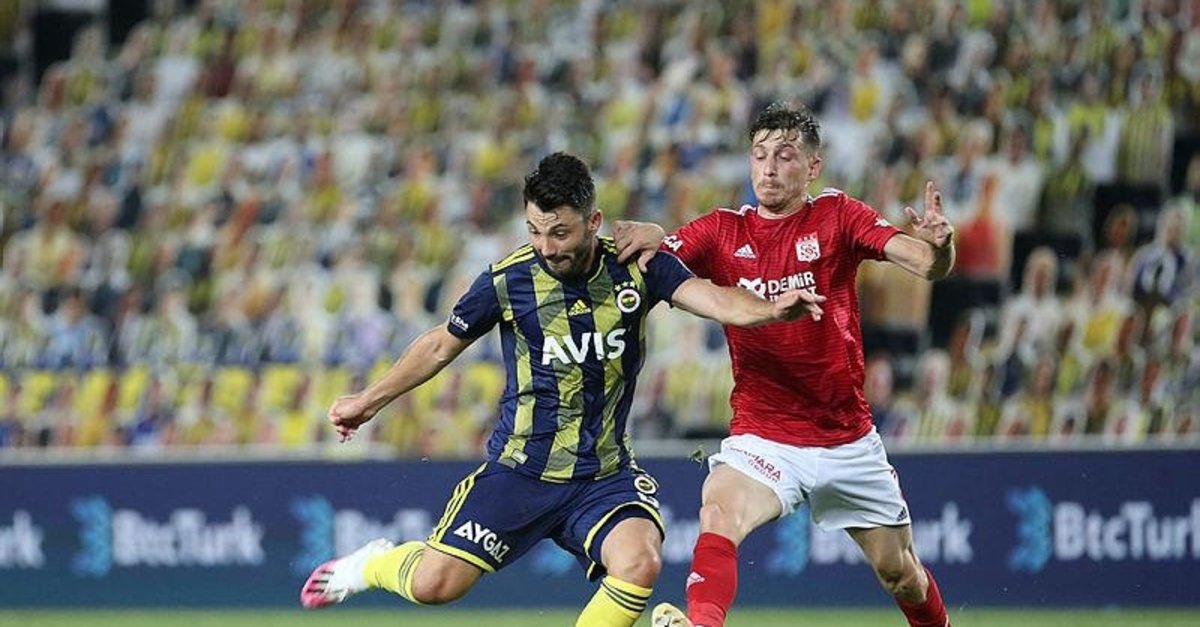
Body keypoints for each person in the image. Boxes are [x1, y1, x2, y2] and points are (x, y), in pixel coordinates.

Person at [299, 152, 825, 627]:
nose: (546, 248)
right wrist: (366, 402)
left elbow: (714, 300)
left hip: (603, 474)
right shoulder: (509, 280)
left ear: (593, 221)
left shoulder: (636, 266)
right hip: (521, 470)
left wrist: (771, 310)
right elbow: (440, 345)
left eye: (560, 233)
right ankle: (372, 564)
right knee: (433, 587)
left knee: (640, 561)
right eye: (535, 231)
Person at [612, 101, 956, 627]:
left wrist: (940, 247)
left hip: (846, 439)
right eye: (759, 155)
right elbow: (656, 262)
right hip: (764, 435)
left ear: (813, 166)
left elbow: (927, 264)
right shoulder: (723, 230)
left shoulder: (839, 215)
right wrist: (654, 233)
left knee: (901, 573)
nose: (769, 169)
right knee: (718, 511)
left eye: (785, 156)